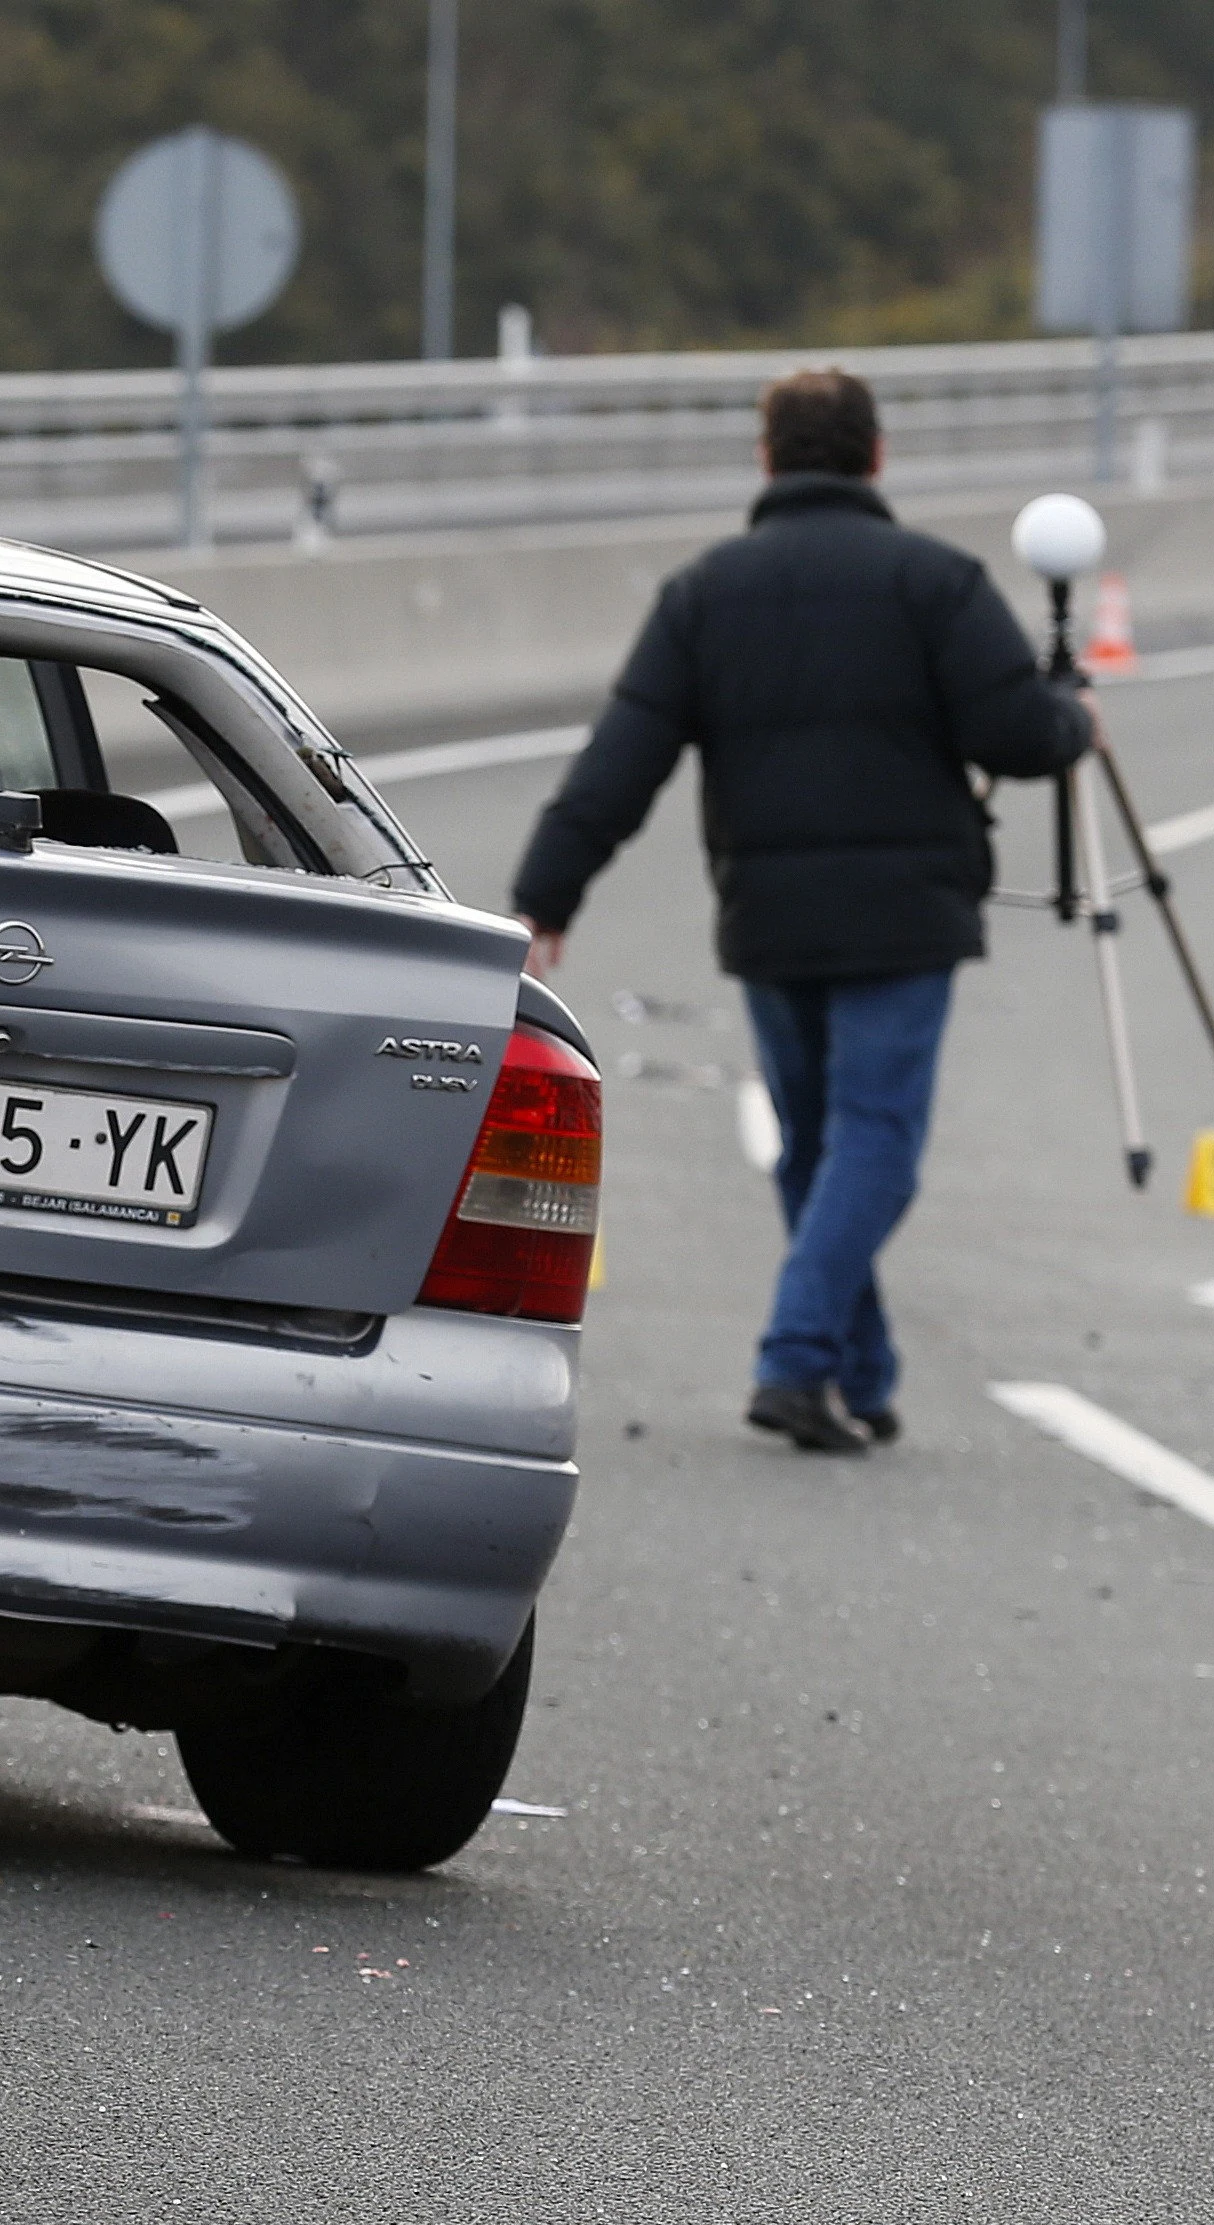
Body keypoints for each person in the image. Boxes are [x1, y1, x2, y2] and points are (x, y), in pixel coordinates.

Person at [506, 367, 1090, 1454]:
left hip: (768, 917)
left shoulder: (704, 594)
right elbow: (1017, 737)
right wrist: (1069, 719)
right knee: (872, 1142)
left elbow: (620, 759)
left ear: (767, 460)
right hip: (903, 919)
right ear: (876, 458)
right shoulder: (938, 583)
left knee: (817, 1146)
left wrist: (546, 893)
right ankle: (791, 1356)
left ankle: (857, 1374)